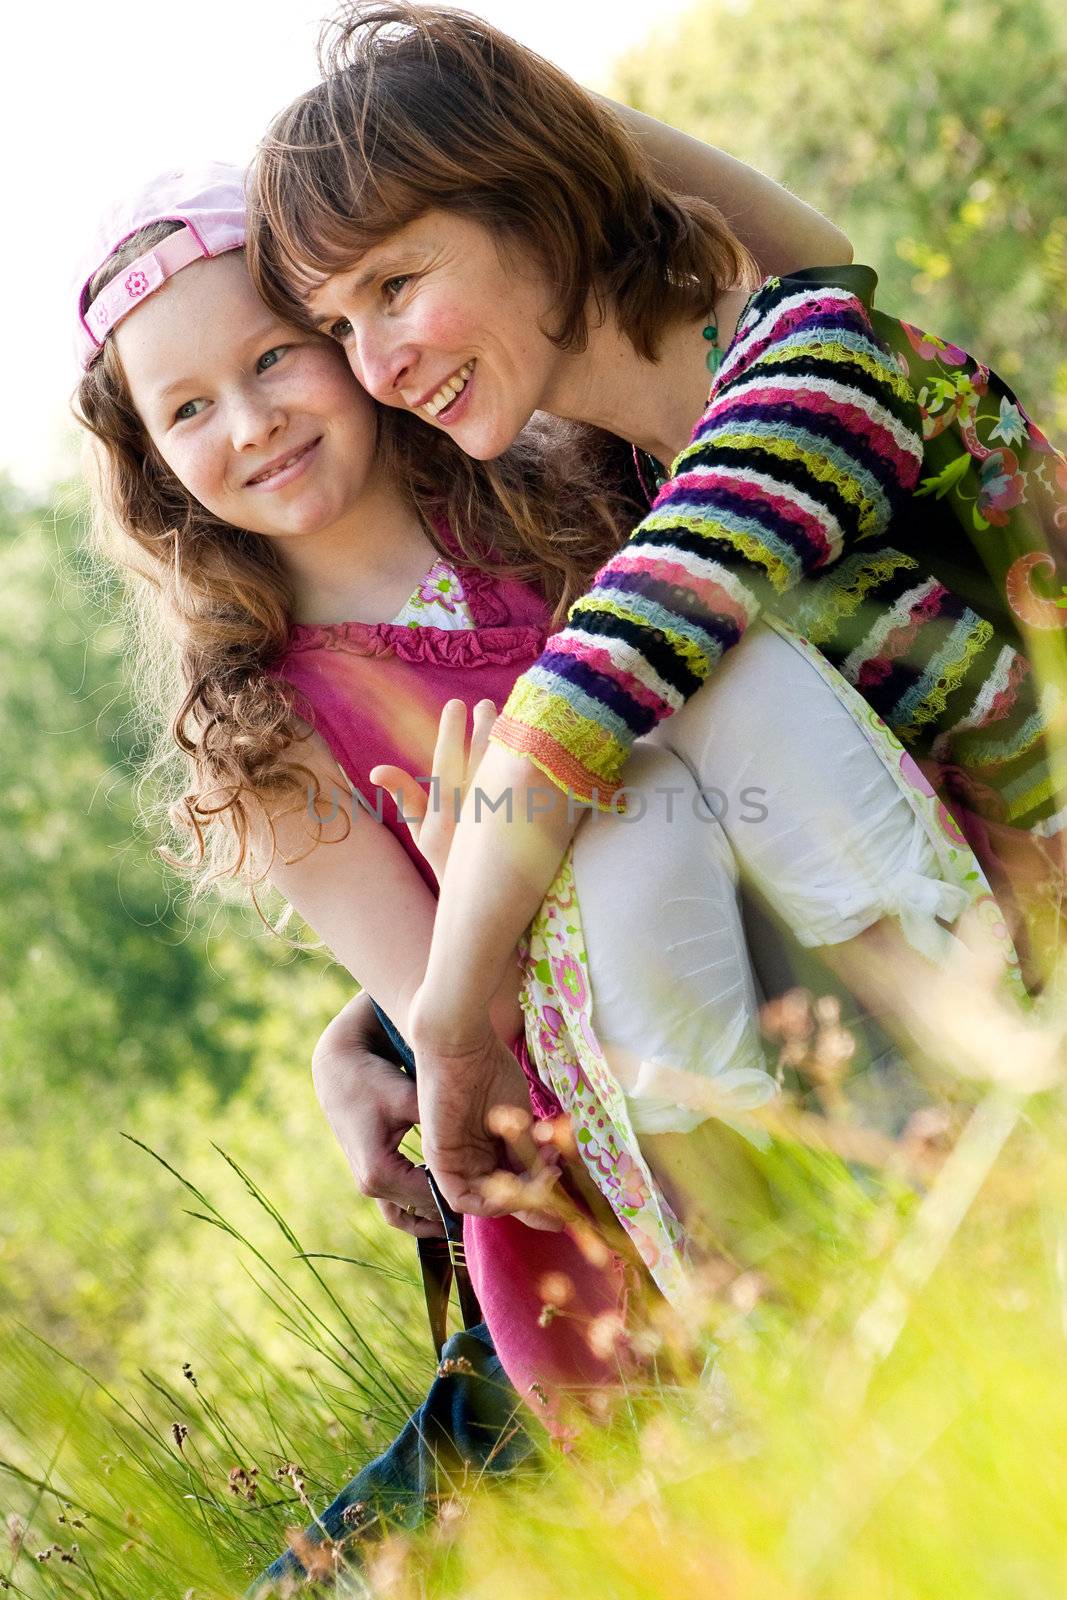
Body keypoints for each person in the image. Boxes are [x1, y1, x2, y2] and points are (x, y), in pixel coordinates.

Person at [245, 0, 1066, 1230]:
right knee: (618, 780)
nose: (377, 369)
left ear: (529, 201)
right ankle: (773, 1279)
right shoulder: (624, 482)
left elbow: (596, 683)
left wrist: (449, 1014)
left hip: (1031, 946)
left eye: (397, 285)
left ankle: (957, 1201)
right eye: (339, 327)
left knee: (656, 705)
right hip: (981, 948)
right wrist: (373, 1028)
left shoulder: (809, 372)